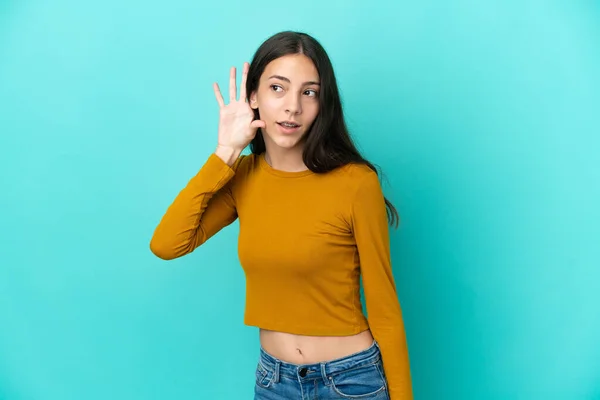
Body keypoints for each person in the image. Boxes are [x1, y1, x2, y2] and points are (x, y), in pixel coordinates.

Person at [149, 30, 413, 400]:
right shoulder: (241, 176)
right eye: (278, 88)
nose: (293, 107)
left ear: (323, 104)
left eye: (309, 92)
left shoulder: (356, 183)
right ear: (253, 96)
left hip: (351, 381)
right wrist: (225, 152)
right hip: (275, 382)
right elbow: (166, 243)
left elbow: (385, 307)